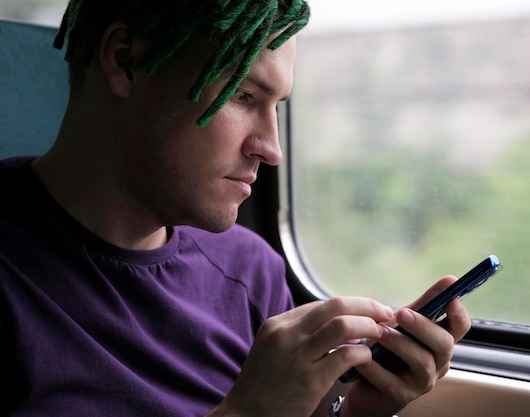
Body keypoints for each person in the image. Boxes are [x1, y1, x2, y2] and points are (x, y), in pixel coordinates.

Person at [0, 1, 472, 416]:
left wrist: (347, 414)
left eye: (277, 107)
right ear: (126, 61)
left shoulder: (250, 271)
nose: (272, 149)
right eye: (245, 96)